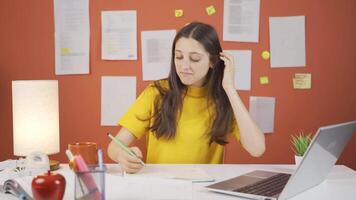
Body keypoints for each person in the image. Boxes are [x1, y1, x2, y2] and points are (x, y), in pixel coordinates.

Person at [107, 22, 265, 173]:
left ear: (213, 61)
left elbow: (257, 149)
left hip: (203, 190)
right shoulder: (156, 92)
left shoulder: (223, 101)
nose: (184, 66)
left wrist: (230, 88)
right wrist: (122, 156)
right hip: (160, 187)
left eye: (194, 59)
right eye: (178, 57)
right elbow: (114, 147)